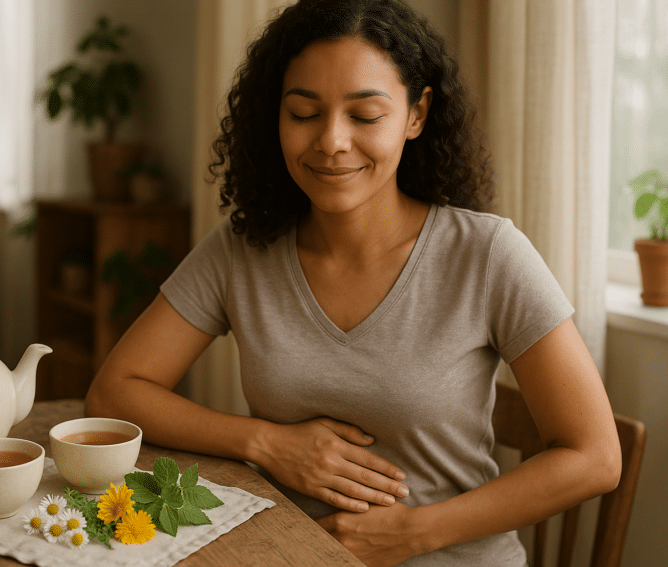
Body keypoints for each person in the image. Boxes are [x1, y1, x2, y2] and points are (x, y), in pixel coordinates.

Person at [85, 0, 622, 565]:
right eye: (303, 113)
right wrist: (265, 442)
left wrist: (417, 532)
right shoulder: (243, 249)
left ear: (416, 115)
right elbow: (116, 389)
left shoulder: (487, 254)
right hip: (291, 555)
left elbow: (594, 456)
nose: (331, 141)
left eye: (364, 116)